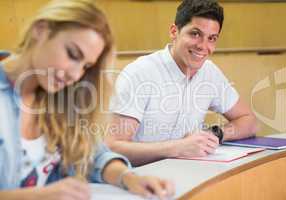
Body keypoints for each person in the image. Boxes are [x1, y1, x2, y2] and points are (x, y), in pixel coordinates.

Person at [0, 0, 174, 199]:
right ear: (40, 30)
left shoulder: (58, 96)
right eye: (73, 54)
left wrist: (128, 178)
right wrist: (37, 196)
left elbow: (93, 155)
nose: (75, 75)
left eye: (85, 66)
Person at [106, 0, 259, 166]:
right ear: (174, 31)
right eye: (195, 34)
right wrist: (178, 148)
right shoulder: (139, 73)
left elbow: (248, 121)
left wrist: (215, 134)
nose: (203, 46)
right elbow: (113, 147)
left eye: (212, 38)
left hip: (190, 174)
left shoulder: (210, 72)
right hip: (142, 179)